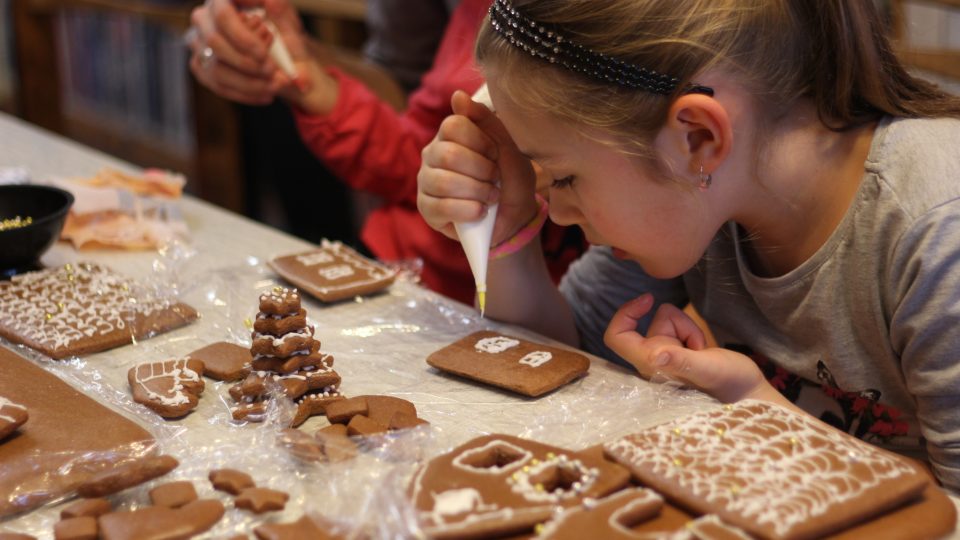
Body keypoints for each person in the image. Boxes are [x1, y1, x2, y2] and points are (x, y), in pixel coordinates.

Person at [417, 0, 960, 490]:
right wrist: (505, 230)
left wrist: (754, 411)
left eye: (562, 180)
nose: (554, 210)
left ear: (698, 137)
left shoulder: (938, 228)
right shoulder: (703, 192)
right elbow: (560, 356)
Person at [187, 0, 585, 304]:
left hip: (516, 301)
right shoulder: (477, 17)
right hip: (407, 278)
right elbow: (420, 154)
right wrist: (309, 81)